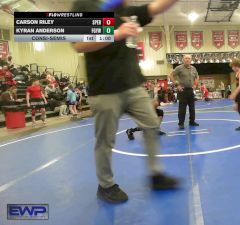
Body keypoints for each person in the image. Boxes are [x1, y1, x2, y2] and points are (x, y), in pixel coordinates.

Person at [72, 0, 179, 204]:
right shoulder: (86, 6)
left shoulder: (127, 11)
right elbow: (79, 45)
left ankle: (156, 175)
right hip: (105, 89)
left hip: (134, 86)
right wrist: (116, 34)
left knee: (151, 124)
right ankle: (106, 185)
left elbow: (155, 7)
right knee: (105, 140)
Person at [169, 54, 199, 129]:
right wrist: (177, 85)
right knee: (182, 108)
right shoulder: (179, 68)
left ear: (191, 60)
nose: (187, 59)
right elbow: (171, 75)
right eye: (186, 58)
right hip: (182, 90)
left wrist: (195, 84)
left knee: (192, 108)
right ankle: (181, 123)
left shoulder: (193, 68)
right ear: (183, 59)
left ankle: (192, 121)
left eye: (189, 58)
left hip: (190, 90)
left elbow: (197, 76)